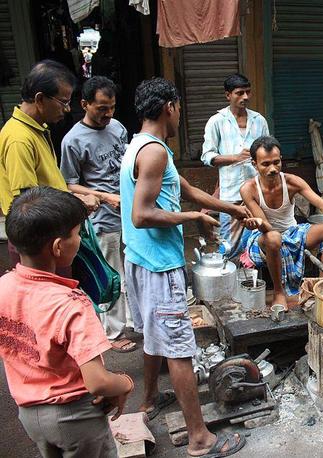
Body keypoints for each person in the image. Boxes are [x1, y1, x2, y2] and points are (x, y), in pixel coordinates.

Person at [120, 77, 247, 457]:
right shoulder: (155, 152)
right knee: (179, 349)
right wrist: (191, 217)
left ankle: (148, 400)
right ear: (167, 108)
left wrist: (231, 208)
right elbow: (142, 214)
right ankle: (199, 438)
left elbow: (188, 189)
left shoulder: (142, 145)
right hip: (159, 264)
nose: (179, 113)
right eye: (177, 106)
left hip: (139, 259)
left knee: (152, 336)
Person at [0, 187, 134, 458]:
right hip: (75, 417)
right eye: (77, 234)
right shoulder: (71, 303)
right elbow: (97, 382)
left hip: (29, 414)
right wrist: (124, 383)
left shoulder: (4, 286)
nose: (80, 240)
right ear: (58, 247)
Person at [60, 76, 135, 353]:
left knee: (132, 271)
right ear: (84, 104)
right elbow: (68, 183)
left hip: (129, 214)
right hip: (103, 219)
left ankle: (132, 322)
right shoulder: (73, 140)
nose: (108, 114)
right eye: (101, 108)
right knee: (111, 275)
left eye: (112, 107)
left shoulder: (117, 127)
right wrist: (104, 197)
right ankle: (112, 333)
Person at [0, 59, 99, 267]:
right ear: (40, 99)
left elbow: (45, 188)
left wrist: (72, 197)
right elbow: (28, 205)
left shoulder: (36, 129)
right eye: (63, 102)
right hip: (39, 248)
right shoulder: (20, 138)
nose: (67, 109)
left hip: (50, 240)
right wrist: (77, 204)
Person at [240, 136, 323, 309]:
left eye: (276, 162)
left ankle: (321, 284)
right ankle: (279, 292)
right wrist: (256, 224)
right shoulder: (248, 189)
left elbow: (322, 206)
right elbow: (267, 227)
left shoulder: (292, 182)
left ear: (281, 160)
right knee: (274, 238)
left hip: (293, 232)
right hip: (263, 235)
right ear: (254, 164)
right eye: (265, 164)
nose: (272, 169)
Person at [201, 73, 269, 259]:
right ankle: (229, 281)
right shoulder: (217, 121)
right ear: (228, 95)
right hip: (230, 194)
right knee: (228, 244)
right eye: (240, 93)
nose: (245, 97)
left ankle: (251, 282)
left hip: (257, 192)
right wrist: (235, 158)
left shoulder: (259, 120)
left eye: (248, 92)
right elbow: (207, 156)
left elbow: (269, 152)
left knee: (256, 240)